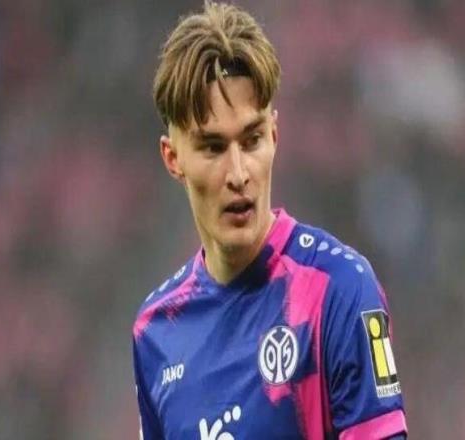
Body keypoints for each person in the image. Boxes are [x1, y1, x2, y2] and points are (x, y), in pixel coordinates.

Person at [132, 2, 407, 439]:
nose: (239, 173)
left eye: (252, 139)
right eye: (213, 147)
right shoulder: (156, 331)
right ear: (173, 158)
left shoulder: (338, 290)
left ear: (274, 136)